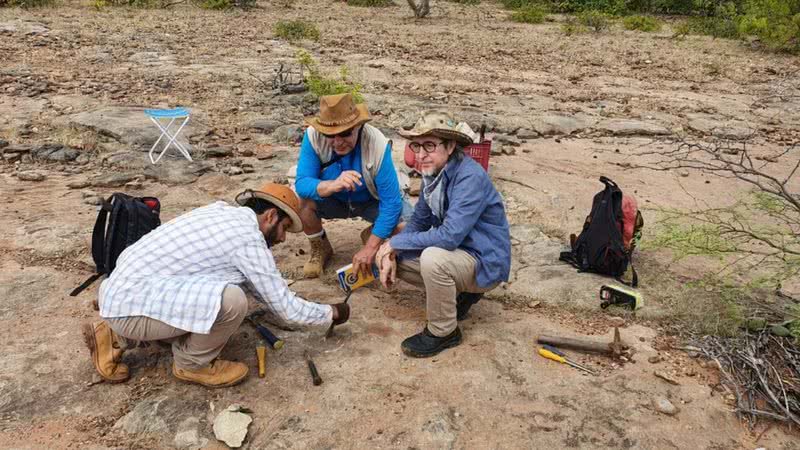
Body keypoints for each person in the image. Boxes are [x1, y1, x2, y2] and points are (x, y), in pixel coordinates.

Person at [83, 183, 350, 388]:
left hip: (120, 291)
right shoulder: (247, 239)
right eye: (284, 228)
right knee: (232, 301)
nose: (282, 239)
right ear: (270, 216)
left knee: (224, 291)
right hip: (128, 308)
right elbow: (286, 308)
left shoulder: (221, 211)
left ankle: (113, 334)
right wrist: (331, 313)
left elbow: (256, 285)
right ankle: (190, 364)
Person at [376, 111, 511, 358]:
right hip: (460, 255)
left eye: (429, 145)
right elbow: (420, 219)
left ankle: (444, 331)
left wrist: (395, 242)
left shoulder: (469, 176)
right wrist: (389, 248)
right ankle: (461, 294)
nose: (421, 154)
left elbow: (449, 236)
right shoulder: (433, 174)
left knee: (433, 259)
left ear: (450, 146)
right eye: (416, 145)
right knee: (391, 254)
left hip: (483, 259)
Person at [295, 93, 404, 279]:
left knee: (406, 224)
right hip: (334, 200)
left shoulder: (377, 143)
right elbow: (302, 183)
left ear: (358, 126)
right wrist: (331, 185)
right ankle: (320, 247)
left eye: (345, 133)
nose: (337, 142)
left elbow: (391, 203)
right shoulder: (313, 137)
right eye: (329, 134)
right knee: (302, 202)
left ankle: (372, 235)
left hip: (370, 201)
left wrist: (371, 247)